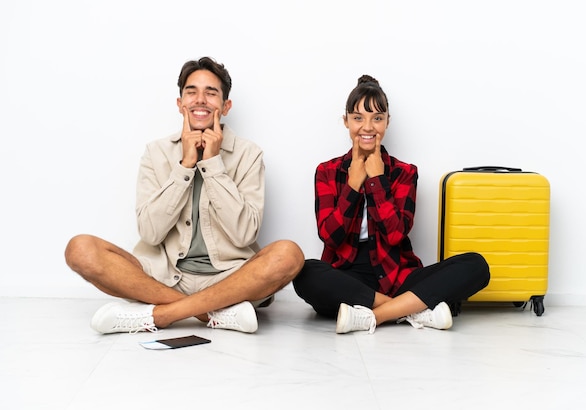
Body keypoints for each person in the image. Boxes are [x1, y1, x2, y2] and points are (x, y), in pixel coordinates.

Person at [65, 56, 304, 334]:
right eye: (191, 91)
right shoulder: (156, 152)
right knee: (80, 249)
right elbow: (150, 233)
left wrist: (213, 165)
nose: (200, 100)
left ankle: (159, 315)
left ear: (226, 106)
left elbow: (244, 234)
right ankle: (212, 313)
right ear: (180, 104)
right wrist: (185, 166)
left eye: (211, 93)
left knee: (289, 254)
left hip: (231, 278)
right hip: (162, 277)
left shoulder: (249, 154)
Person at [292, 74, 490, 334]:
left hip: (398, 274)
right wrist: (353, 184)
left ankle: (375, 315)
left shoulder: (404, 172)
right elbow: (330, 237)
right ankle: (411, 310)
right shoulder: (327, 171)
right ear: (346, 122)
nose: (367, 127)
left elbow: (396, 234)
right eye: (358, 118)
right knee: (305, 273)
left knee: (476, 265)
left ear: (387, 122)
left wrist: (377, 180)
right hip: (348, 276)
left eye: (377, 118)